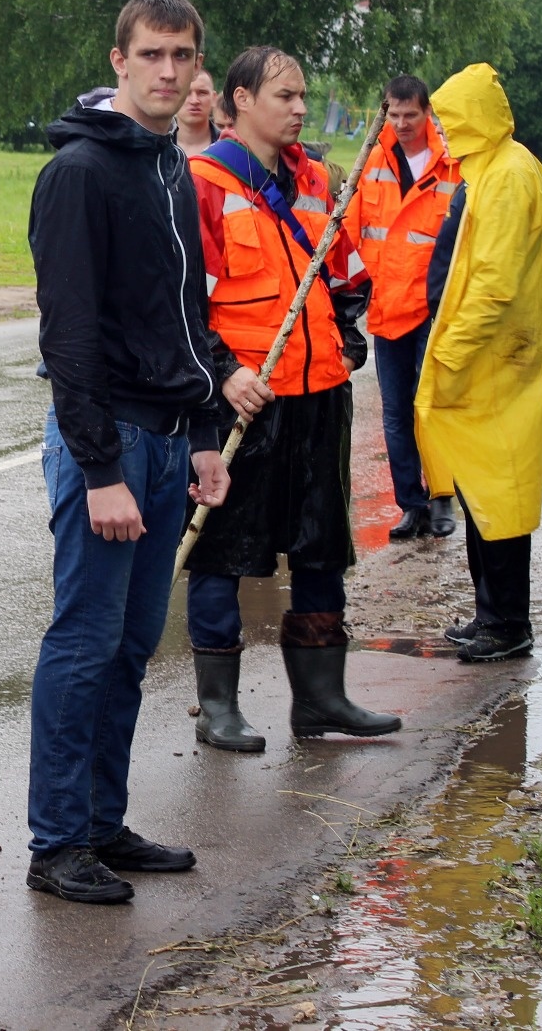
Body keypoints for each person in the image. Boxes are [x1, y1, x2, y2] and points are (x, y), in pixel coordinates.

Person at [25, 0, 230, 905]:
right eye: (150, 54)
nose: (167, 71)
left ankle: (102, 821)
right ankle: (57, 840)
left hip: (167, 440)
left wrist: (206, 435)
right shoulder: (80, 171)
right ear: (117, 60)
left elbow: (185, 317)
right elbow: (67, 335)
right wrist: (101, 470)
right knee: (84, 638)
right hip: (103, 445)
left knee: (133, 642)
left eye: (181, 56)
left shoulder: (168, 168)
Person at [185, 44, 398, 753]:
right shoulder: (204, 183)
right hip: (247, 397)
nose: (300, 108)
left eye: (303, 95)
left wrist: (347, 330)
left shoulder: (317, 181)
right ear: (240, 100)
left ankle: (320, 699)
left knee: (320, 547)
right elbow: (184, 301)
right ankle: (218, 706)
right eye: (285, 96)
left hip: (320, 394)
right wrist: (222, 371)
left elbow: (344, 274)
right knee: (222, 548)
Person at [414, 64, 542, 662]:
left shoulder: (506, 175)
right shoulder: (493, 168)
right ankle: (490, 614)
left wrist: (451, 350)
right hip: (490, 358)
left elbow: (494, 284)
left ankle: (508, 622)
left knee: (500, 494)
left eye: (448, 120)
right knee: (482, 490)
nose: (441, 132)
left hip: (497, 360)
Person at [343, 74, 462, 540]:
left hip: (436, 309)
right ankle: (411, 504)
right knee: (396, 413)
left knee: (432, 409)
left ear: (427, 112)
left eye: (410, 115)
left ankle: (442, 499)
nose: (402, 123)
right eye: (394, 115)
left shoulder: (451, 165)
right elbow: (351, 231)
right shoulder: (372, 162)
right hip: (389, 308)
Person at [176, 67, 217, 156]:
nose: (194, 101)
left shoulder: (230, 148)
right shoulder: (154, 147)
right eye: (186, 93)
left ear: (214, 98)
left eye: (202, 93)